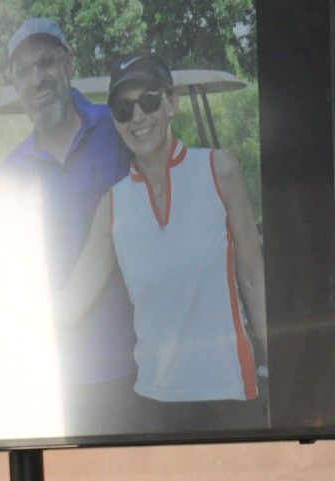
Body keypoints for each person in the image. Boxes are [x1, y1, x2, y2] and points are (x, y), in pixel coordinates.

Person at [56, 50, 268, 431]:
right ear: (115, 121)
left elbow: (254, 279)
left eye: (149, 100)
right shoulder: (112, 205)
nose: (137, 116)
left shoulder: (220, 170)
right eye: (124, 108)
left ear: (171, 103)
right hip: (154, 405)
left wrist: (285, 372)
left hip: (230, 396)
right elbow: (70, 305)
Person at [0, 17, 141, 436]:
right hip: (53, 374)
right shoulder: (11, 172)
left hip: (132, 363)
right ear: (15, 84)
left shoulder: (118, 128)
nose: (37, 79)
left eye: (46, 63)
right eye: (24, 71)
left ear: (68, 64)